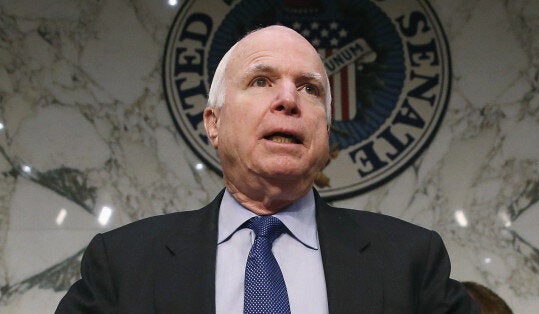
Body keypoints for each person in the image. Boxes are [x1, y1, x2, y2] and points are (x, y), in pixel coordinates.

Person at [56, 25, 478, 313]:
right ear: (214, 123)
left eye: (310, 88)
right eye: (261, 81)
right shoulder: (122, 265)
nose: (288, 100)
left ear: (326, 132)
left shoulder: (409, 262)